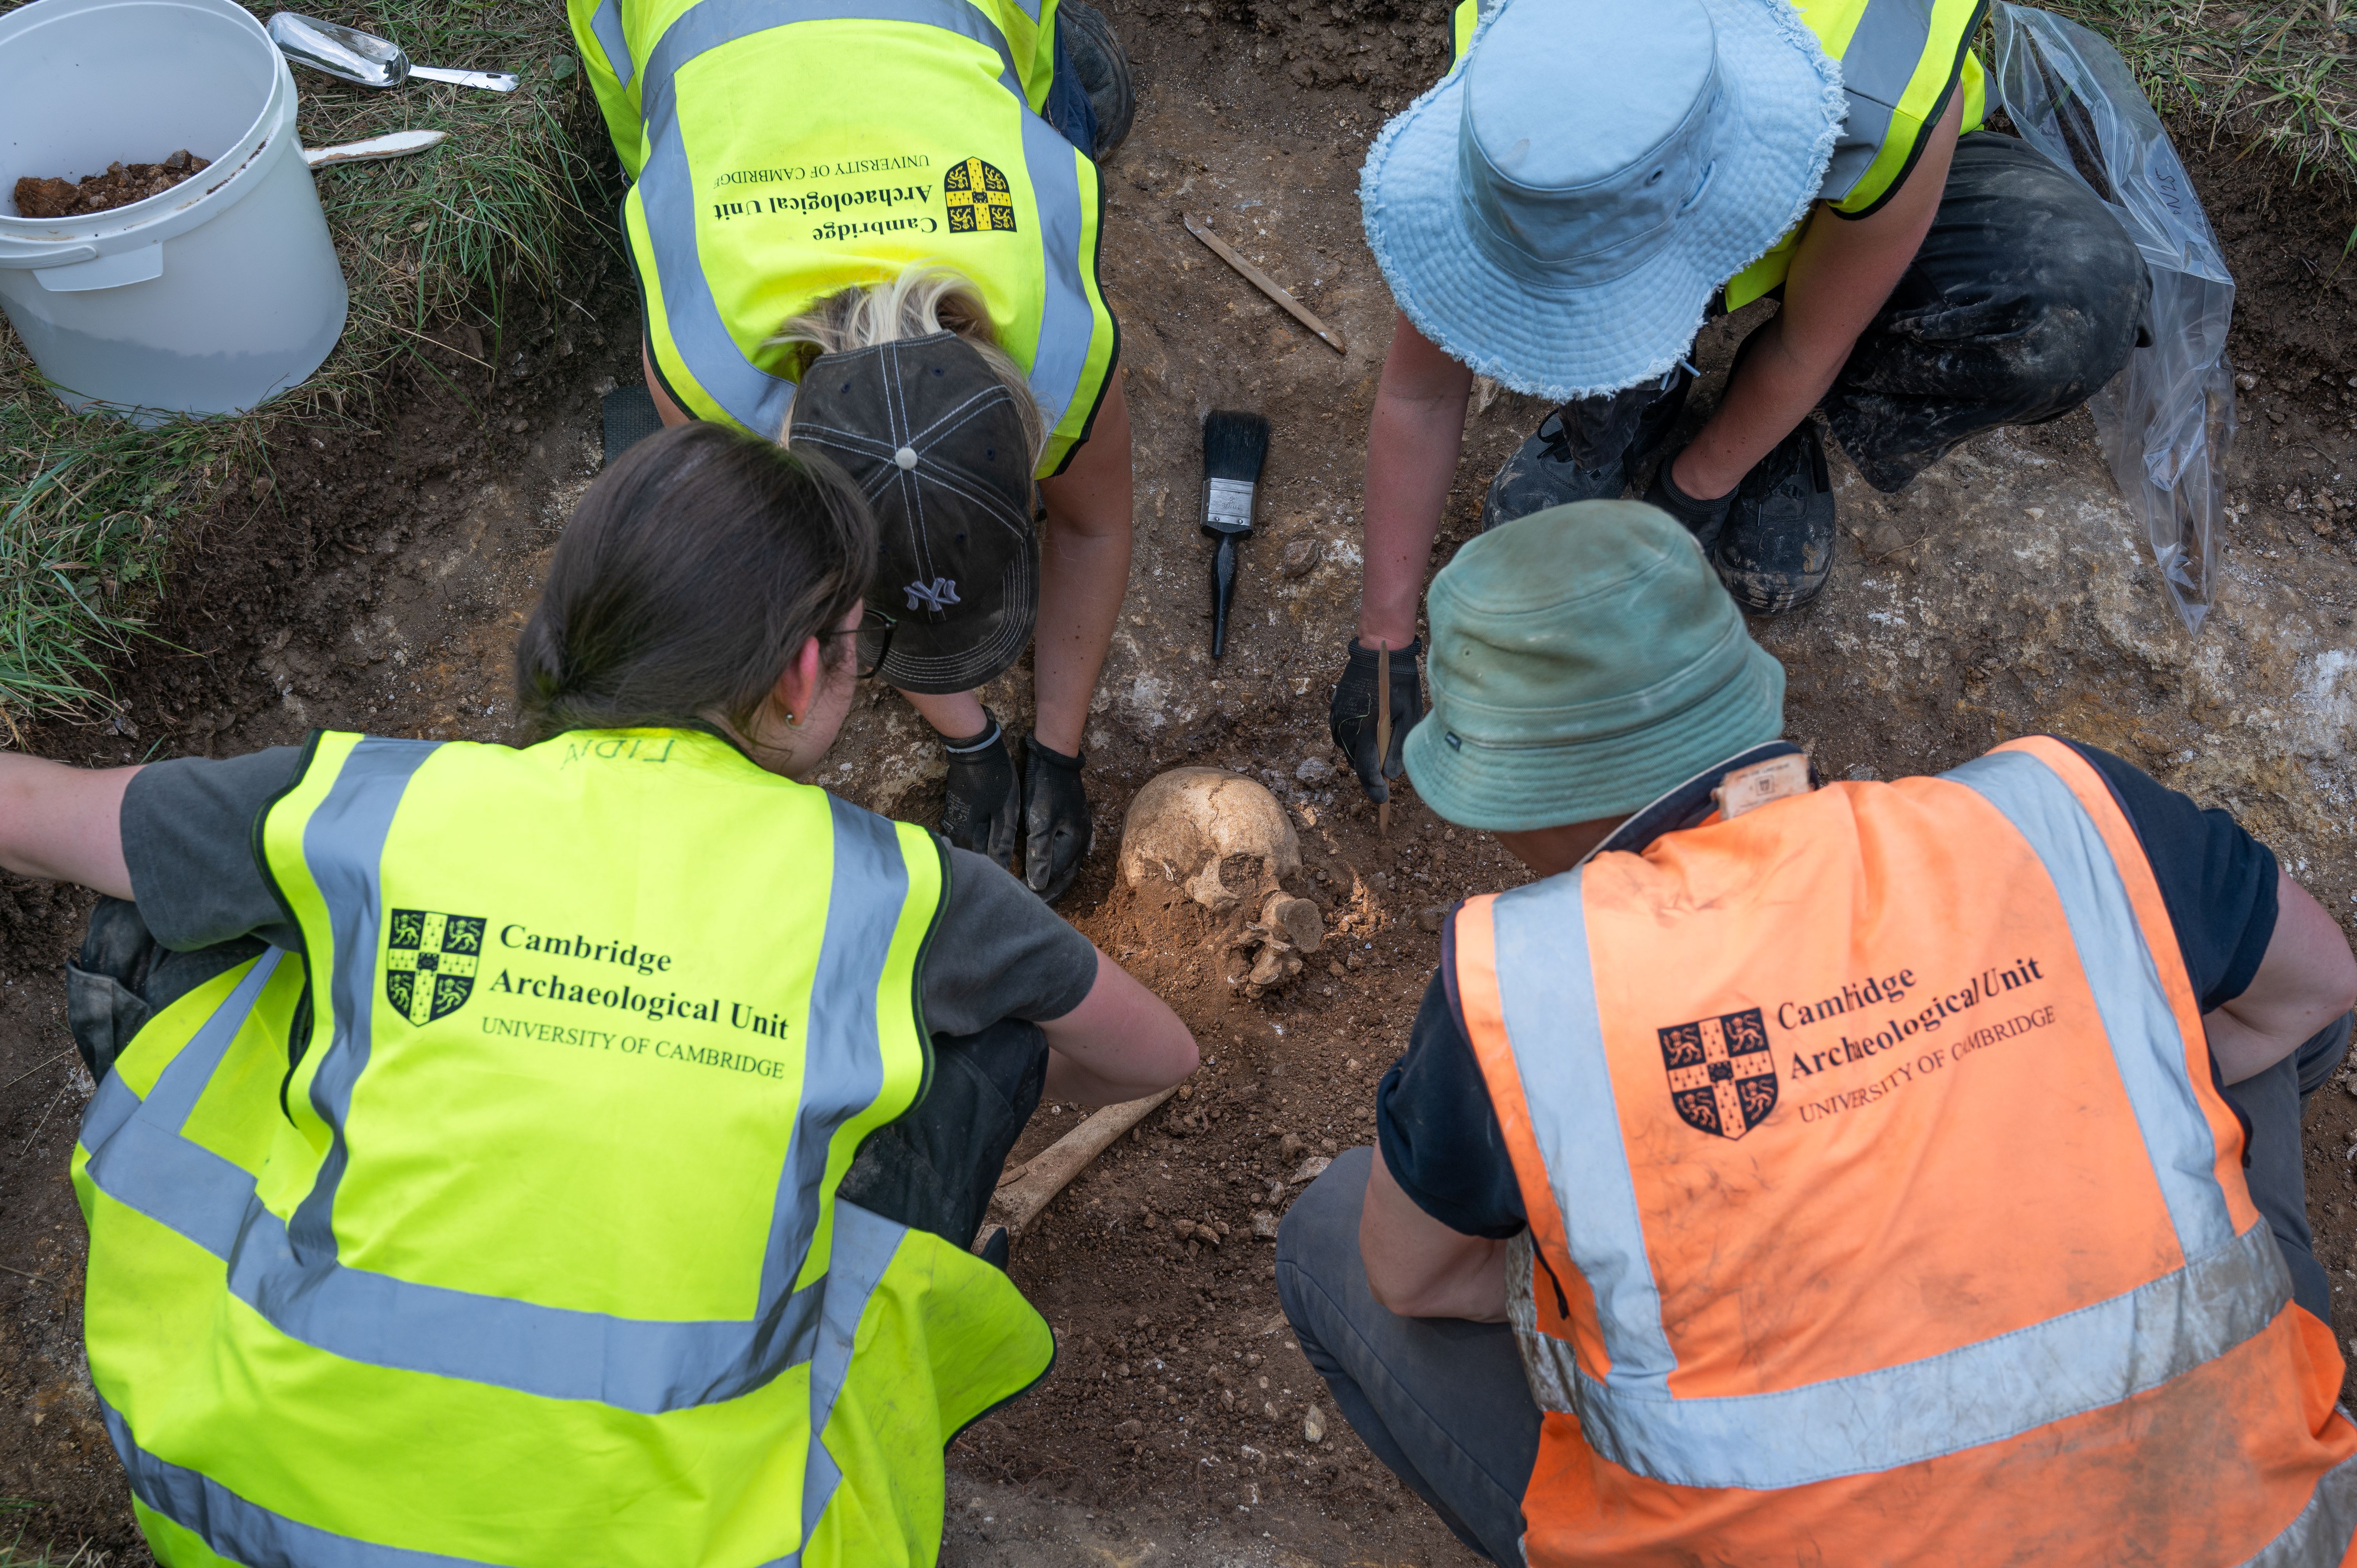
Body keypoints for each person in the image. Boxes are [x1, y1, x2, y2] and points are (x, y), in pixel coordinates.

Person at [8, 423, 1198, 1567]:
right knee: (986, 1046)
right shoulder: (896, 894)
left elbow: (42, 817)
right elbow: (1156, 1058)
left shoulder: (370, 807)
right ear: (802, 673)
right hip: (699, 1550)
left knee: (183, 911)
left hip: (242, 1515)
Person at [1279, 501, 2357, 1566]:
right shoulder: (2061, 816)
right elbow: (2313, 992)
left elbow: (1414, 1279)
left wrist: (1620, 1273)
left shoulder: (1527, 982)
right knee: (2202, 988)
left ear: (1519, 794)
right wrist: (2008, 1077)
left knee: (1333, 1229)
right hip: (2257, 1538)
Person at [1328, 0, 2153, 803]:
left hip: (1854, 190)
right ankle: (1628, 396)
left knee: (2066, 299)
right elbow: (1422, 390)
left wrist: (1690, 492)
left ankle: (1768, 429)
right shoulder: (1512, 66)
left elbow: (1810, 346)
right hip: (1676, 185)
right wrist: (1384, 640)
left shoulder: (1882, 90)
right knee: (1581, 296)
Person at [569, 0, 1138, 902]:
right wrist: (970, 737)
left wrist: (1057, 746)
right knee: (665, 143)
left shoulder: (1061, 345)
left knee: (1051, 118)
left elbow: (1094, 529)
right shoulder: (704, 363)